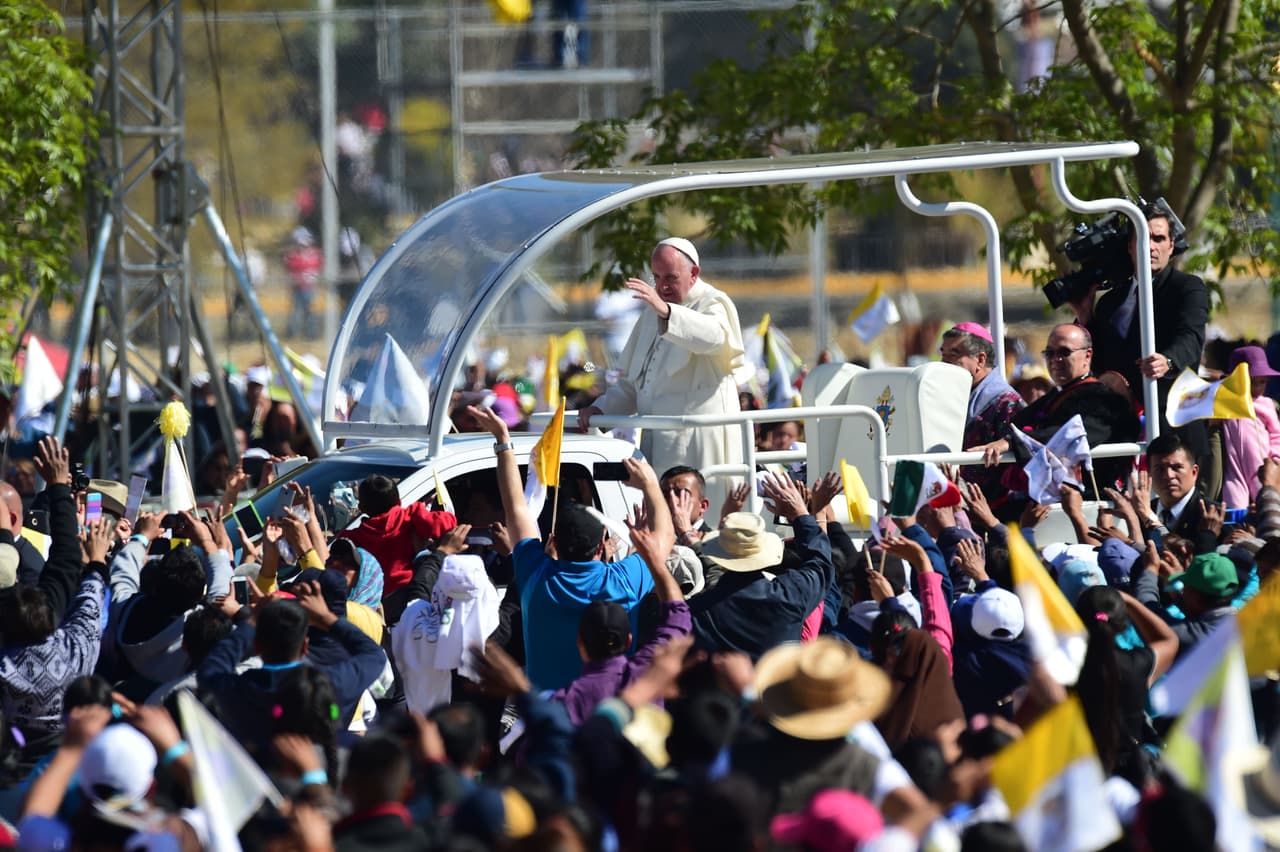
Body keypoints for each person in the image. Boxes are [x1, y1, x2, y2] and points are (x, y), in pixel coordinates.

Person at [469, 403, 673, 691]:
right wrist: (650, 484)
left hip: (549, 720)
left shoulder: (536, 577)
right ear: (602, 546)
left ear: (552, 542)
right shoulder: (624, 581)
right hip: (609, 719)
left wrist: (503, 441)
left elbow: (516, 509)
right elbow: (664, 538)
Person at [578, 238, 746, 511]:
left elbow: (715, 337)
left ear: (694, 274)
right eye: (657, 277)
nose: (662, 286)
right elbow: (632, 384)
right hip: (658, 440)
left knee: (701, 517)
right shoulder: (650, 313)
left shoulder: (713, 303)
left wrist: (667, 312)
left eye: (671, 277)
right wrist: (598, 409)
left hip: (699, 443)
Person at [972, 323, 1140, 499]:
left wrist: (1011, 442)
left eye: (1064, 352)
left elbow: (1074, 434)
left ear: (1087, 355)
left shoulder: (1106, 400)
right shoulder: (1054, 395)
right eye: (1050, 353)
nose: (1055, 359)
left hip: (1089, 499)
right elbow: (1017, 425)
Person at [1070, 202, 1208, 397]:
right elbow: (1100, 362)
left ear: (1171, 246)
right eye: (1142, 238)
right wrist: (1085, 315)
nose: (1150, 246)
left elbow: (1191, 338)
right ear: (1130, 246)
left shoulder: (1187, 288)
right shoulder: (1110, 302)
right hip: (1121, 417)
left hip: (1167, 414)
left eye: (1158, 239)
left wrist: (1167, 361)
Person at [688, 473, 832, 660]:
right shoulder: (792, 594)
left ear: (719, 554)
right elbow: (821, 564)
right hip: (781, 687)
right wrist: (800, 514)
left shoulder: (698, 609)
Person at [946, 322, 1024, 502]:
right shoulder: (953, 394)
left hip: (993, 508)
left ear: (980, 360)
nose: (945, 362)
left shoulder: (1007, 402)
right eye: (943, 354)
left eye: (954, 354)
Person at [1220, 345, 1280, 510]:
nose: (1258, 388)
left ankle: (1268, 534)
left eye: (1263, 382)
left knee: (1266, 500)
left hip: (1261, 465)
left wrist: (1275, 457)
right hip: (1234, 468)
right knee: (1234, 504)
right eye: (1252, 382)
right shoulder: (1225, 403)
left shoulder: (1266, 404)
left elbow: (1276, 434)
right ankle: (1238, 533)